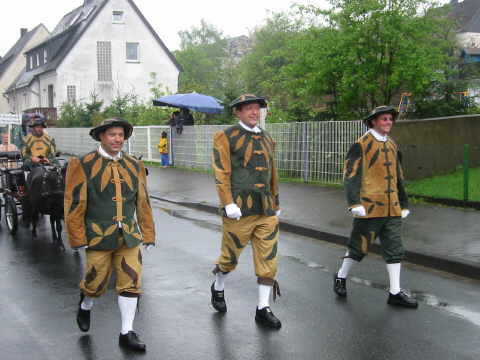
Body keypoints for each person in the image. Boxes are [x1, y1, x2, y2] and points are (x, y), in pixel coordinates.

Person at [64, 118, 156, 351]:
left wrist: (148, 234)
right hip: (97, 236)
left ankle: (127, 331)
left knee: (131, 280)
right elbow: (74, 203)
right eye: (112, 135)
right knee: (96, 282)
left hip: (129, 235)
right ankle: (86, 304)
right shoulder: (83, 164)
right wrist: (77, 239)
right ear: (101, 137)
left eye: (121, 135)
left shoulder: (134, 164)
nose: (118, 139)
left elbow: (143, 201)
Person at [333, 105, 418, 309]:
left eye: (390, 119)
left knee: (395, 249)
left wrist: (404, 203)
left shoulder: (392, 145)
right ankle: (341, 277)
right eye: (384, 119)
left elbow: (399, 176)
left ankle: (395, 292)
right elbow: (351, 175)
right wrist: (354, 203)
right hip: (370, 208)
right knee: (357, 248)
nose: (388, 122)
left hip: (392, 208)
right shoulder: (361, 145)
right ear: (373, 122)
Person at [210, 94, 282, 329]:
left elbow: (273, 172)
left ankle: (263, 308)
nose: (254, 112)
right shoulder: (226, 136)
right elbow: (221, 171)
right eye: (249, 109)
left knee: (268, 260)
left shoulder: (267, 137)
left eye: (257, 109)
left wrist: (276, 202)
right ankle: (218, 285)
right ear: (238, 112)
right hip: (239, 210)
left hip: (266, 209)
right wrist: (228, 202)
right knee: (229, 259)